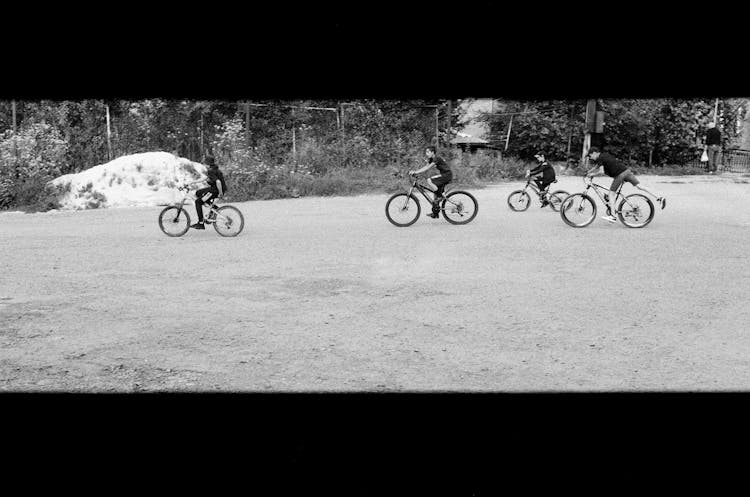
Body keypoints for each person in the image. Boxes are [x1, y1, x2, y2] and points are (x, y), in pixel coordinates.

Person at [585, 146, 666, 223]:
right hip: (626, 171)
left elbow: (601, 171)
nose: (590, 157)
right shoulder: (604, 156)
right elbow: (597, 166)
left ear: (595, 153)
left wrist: (591, 175)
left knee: (611, 194)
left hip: (619, 175)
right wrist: (589, 172)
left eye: (590, 155)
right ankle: (659, 197)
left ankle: (613, 216)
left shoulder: (600, 158)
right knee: (639, 186)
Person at [408, 146, 453, 218]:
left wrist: (415, 172)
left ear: (432, 152)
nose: (426, 154)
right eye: (426, 152)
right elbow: (425, 167)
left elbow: (428, 168)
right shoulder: (431, 159)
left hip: (447, 175)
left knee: (429, 180)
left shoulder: (436, 158)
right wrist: (416, 172)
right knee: (435, 195)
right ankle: (435, 213)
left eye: (428, 152)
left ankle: (440, 196)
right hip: (444, 175)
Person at [190, 155, 227, 230]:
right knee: (198, 193)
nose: (204, 165)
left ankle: (200, 223)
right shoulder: (214, 169)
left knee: (198, 202)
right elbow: (205, 178)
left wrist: (220, 193)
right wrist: (193, 182)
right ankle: (214, 209)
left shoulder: (211, 171)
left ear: (208, 163)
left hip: (216, 190)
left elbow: (218, 182)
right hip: (215, 188)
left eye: (205, 163)